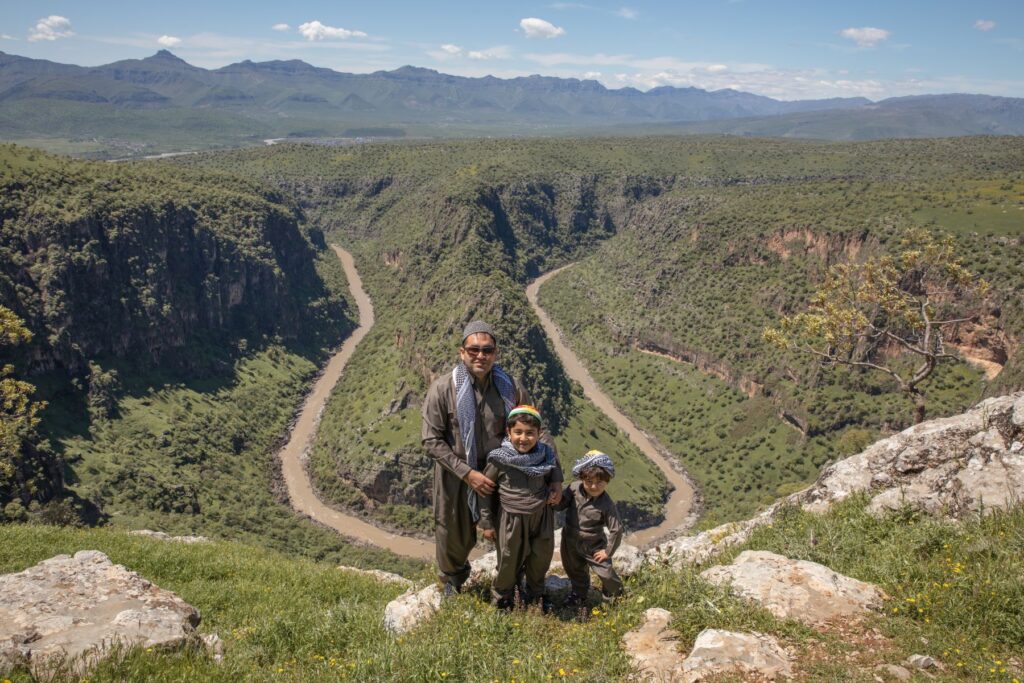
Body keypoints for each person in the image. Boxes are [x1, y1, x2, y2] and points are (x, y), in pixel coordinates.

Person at [421, 320, 561, 595]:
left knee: (512, 533)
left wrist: (555, 476)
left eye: (487, 350)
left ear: (495, 353)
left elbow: (538, 431)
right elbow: (431, 440)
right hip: (457, 477)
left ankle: (510, 585)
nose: (480, 356)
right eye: (474, 350)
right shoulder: (442, 390)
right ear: (462, 352)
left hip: (507, 474)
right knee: (453, 532)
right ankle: (452, 582)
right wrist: (468, 474)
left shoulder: (510, 387)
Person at [477, 405, 562, 611]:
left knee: (540, 557)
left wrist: (556, 488)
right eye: (518, 432)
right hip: (510, 519)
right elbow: (485, 491)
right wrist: (487, 523)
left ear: (539, 434)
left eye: (530, 433)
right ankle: (503, 597)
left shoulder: (546, 455)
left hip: (540, 517)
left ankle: (536, 595)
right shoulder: (500, 459)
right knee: (508, 559)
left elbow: (555, 475)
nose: (523, 438)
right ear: (509, 432)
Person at [556, 450, 624, 607]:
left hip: (593, 544)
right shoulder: (573, 489)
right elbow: (560, 505)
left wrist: (607, 551)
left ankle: (615, 593)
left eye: (599, 482)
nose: (594, 486)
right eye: (589, 482)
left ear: (607, 481)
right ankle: (579, 594)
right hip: (570, 540)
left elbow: (616, 529)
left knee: (605, 572)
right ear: (582, 478)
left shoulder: (606, 504)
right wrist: (554, 499)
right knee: (574, 569)